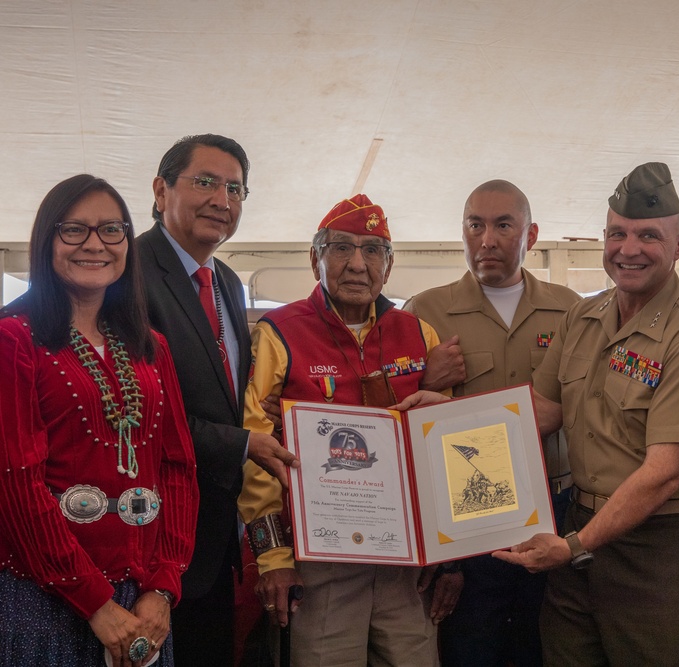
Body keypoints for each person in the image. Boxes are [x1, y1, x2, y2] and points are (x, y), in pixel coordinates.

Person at [494, 162, 679, 666]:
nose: (629, 249)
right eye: (617, 233)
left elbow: (662, 475)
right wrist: (440, 421)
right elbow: (538, 413)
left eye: (649, 235)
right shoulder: (582, 318)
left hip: (663, 550)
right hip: (579, 532)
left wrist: (573, 545)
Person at [238, 194, 446, 666]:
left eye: (373, 250)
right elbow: (256, 456)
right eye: (341, 248)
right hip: (321, 567)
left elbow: (439, 453)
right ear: (316, 259)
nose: (358, 264)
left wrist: (449, 557)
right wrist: (273, 558)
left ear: (389, 267)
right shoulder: (278, 332)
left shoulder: (420, 334)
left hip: (406, 568)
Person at [0, 174, 198, 665]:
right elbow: (16, 485)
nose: (95, 244)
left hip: (143, 604)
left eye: (112, 230)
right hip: (44, 596)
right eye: (74, 230)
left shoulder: (150, 346)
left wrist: (164, 586)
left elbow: (177, 469)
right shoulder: (13, 340)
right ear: (46, 240)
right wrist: (94, 602)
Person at [403, 179, 581, 666]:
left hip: (555, 506)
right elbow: (401, 417)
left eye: (504, 225)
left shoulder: (571, 310)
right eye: (475, 225)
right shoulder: (425, 311)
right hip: (466, 517)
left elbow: (584, 403)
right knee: (470, 644)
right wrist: (426, 377)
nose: (487, 239)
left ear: (531, 234)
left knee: (546, 644)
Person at [137, 134, 298, 666]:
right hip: (148, 539)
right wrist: (240, 441)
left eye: (235, 189)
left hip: (213, 540)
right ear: (161, 191)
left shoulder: (226, 281)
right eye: (204, 181)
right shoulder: (126, 271)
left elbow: (234, 396)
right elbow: (135, 410)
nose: (222, 199)